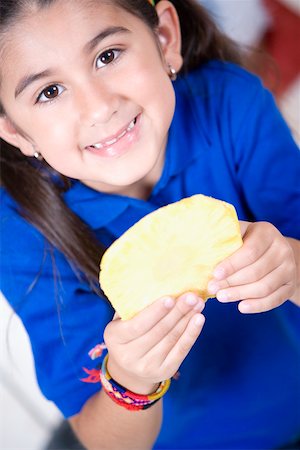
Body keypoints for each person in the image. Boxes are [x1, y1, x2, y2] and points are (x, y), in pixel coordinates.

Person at [0, 0, 299, 449]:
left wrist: (292, 263)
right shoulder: (20, 226)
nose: (99, 108)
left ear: (164, 40)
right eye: (49, 92)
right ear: (19, 133)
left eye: (108, 56)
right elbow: (106, 440)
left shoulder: (230, 103)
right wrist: (131, 378)